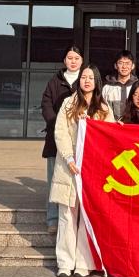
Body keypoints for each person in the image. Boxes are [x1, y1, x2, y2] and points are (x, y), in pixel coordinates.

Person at [51, 63, 115, 277]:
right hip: (69, 167)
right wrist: (69, 157)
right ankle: (65, 262)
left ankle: (83, 263)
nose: (86, 81)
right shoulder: (69, 103)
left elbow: (110, 136)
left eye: (90, 78)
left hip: (92, 169)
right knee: (67, 215)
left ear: (97, 82)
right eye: (83, 77)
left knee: (87, 217)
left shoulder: (103, 108)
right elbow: (60, 132)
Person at [39, 45, 83, 234]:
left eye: (76, 58)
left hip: (80, 139)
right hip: (56, 138)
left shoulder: (85, 79)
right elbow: (46, 104)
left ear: (82, 61)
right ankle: (53, 219)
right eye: (69, 58)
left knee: (77, 181)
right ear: (64, 60)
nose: (73, 61)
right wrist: (58, 125)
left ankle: (76, 219)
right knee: (54, 180)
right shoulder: (54, 81)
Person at [102, 50, 138, 120]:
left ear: (133, 66)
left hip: (132, 125)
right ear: (115, 66)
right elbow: (102, 110)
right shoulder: (107, 87)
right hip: (111, 125)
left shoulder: (137, 86)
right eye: (120, 63)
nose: (124, 66)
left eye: (127, 63)